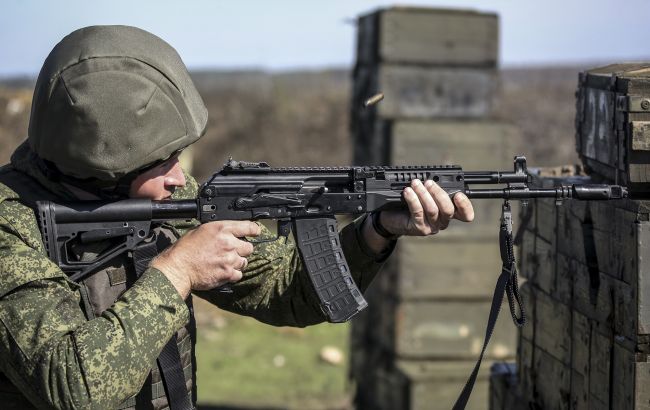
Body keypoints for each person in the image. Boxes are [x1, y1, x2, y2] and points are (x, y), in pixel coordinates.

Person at [0, 26, 475, 409]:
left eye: (178, 156)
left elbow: (287, 287)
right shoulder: (10, 228)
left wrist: (376, 230)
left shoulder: (165, 196)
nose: (177, 177)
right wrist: (178, 271)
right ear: (104, 170)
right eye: (159, 163)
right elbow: (72, 387)